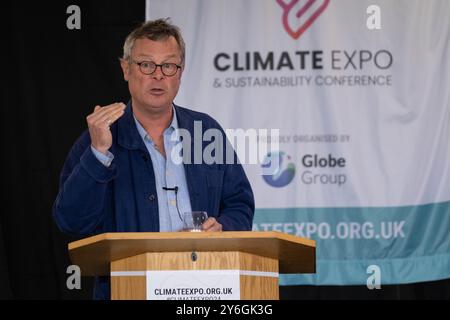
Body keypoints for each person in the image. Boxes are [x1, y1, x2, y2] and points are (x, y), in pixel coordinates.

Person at [52, 19, 255, 299]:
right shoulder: (98, 137)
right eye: (146, 65)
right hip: (131, 288)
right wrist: (99, 154)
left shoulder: (206, 131)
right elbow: (70, 222)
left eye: (168, 66)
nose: (158, 75)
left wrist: (224, 227)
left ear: (180, 73)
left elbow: (240, 204)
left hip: (206, 287)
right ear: (126, 69)